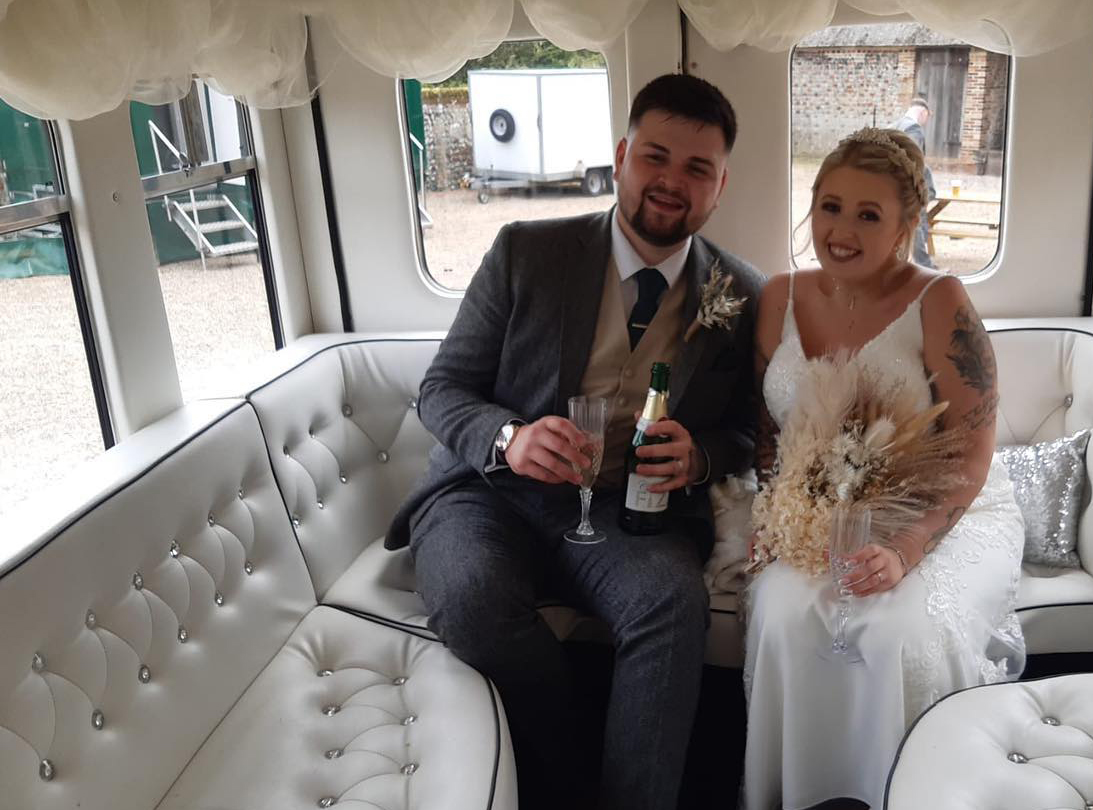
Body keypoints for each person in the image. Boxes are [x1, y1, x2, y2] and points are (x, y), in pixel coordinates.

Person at [383, 73, 762, 810]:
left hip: (629, 513)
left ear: (720, 186)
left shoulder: (742, 294)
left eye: (696, 169)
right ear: (621, 156)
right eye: (655, 156)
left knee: (670, 603)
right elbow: (443, 389)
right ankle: (574, 767)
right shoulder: (526, 252)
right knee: (471, 597)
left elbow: (748, 430)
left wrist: (703, 455)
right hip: (489, 495)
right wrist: (510, 437)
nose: (670, 182)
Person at [741, 127, 1024, 809]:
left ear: (906, 226)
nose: (841, 230)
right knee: (782, 614)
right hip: (818, 510)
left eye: (869, 215)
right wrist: (778, 516)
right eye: (830, 206)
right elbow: (765, 434)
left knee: (897, 631)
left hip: (942, 513)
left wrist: (904, 548)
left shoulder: (942, 302)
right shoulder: (778, 294)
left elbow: (974, 451)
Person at [893, 98, 938, 268]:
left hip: (889, 183)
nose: (926, 121)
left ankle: (898, 260)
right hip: (908, 183)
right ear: (923, 112)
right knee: (917, 221)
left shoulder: (893, 125)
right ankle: (925, 265)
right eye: (927, 117)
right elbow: (913, 160)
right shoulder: (914, 129)